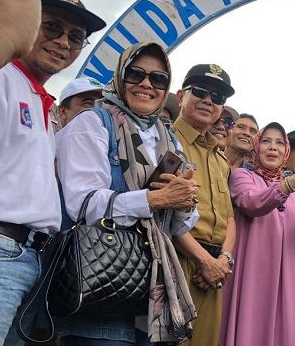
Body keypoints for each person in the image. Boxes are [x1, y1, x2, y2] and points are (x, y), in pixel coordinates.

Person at [55, 42, 199, 344]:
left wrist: (184, 202)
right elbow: (82, 205)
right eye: (137, 74)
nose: (147, 84)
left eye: (158, 79)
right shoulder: (93, 122)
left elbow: (178, 226)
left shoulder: (167, 137)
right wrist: (154, 199)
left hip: (150, 295)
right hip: (101, 288)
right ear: (121, 77)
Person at [0, 0, 105, 346]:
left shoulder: (36, 95)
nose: (64, 42)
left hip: (28, 258)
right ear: (26, 23)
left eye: (76, 36)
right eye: (52, 27)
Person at [219, 122, 295, 345]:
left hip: (284, 277)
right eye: (266, 141)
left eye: (279, 143)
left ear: (286, 151)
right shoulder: (242, 176)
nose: (273, 147)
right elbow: (252, 203)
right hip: (250, 273)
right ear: (256, 147)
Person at [171, 64, 236, 346]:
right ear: (180, 96)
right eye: (200, 91)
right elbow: (162, 214)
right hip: (178, 262)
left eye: (218, 97)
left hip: (214, 272)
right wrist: (204, 260)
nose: (209, 100)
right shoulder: (166, 142)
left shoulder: (219, 157)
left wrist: (223, 260)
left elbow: (229, 219)